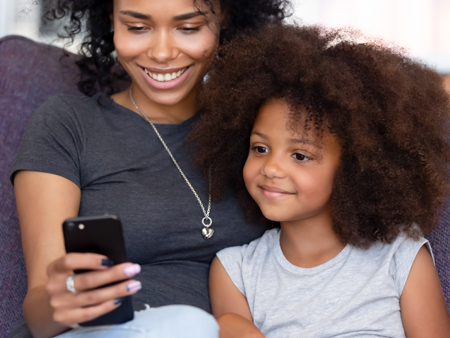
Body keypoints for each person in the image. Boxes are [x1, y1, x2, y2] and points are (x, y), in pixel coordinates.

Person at [10, 0, 291, 337]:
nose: (161, 53)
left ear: (225, 19)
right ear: (111, 21)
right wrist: (62, 301)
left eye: (188, 28)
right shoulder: (68, 124)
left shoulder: (261, 131)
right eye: (137, 27)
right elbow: (40, 312)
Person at [189, 25, 450, 337]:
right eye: (260, 148)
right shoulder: (236, 271)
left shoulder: (400, 255)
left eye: (300, 155)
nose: (271, 167)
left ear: (353, 167)